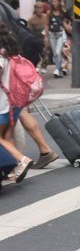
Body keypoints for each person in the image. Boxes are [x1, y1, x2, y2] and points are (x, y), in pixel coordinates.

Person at [0, 23, 34, 182]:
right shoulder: (11, 52)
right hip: (15, 102)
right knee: (7, 135)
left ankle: (22, 160)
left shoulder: (0, 57)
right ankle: (14, 168)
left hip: (3, 104)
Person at [44, 0, 69, 78]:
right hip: (52, 34)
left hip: (60, 34)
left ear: (59, 2)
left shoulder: (63, 12)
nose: (53, 3)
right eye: (52, 1)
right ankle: (60, 69)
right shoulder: (49, 13)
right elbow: (47, 25)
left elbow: (64, 22)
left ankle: (57, 69)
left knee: (58, 52)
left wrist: (67, 27)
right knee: (55, 53)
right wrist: (46, 37)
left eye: (55, 1)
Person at [27, 2, 49, 74]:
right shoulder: (31, 19)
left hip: (45, 37)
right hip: (36, 38)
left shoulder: (46, 17)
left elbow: (49, 26)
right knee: (37, 53)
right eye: (38, 8)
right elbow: (29, 31)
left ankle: (44, 66)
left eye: (41, 8)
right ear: (35, 9)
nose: (40, 10)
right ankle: (37, 66)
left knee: (45, 52)